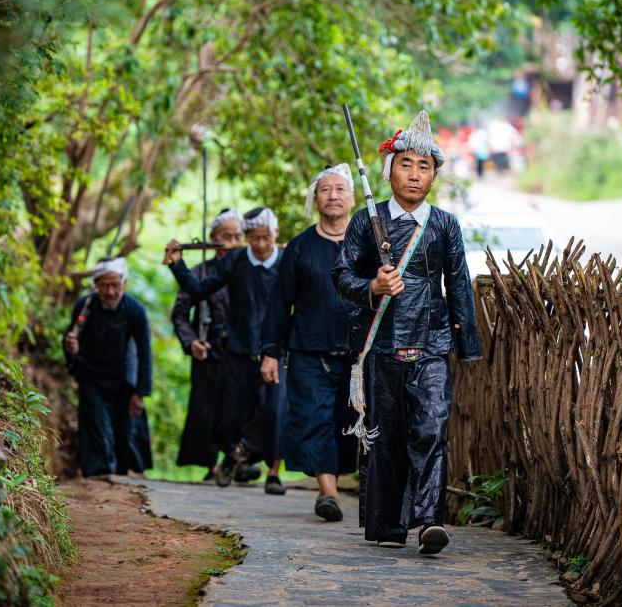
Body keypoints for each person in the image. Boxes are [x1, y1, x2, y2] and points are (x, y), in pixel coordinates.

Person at [332, 110, 482, 555]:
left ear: (434, 174)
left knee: (432, 430)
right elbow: (341, 277)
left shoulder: (444, 225)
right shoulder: (366, 222)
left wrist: (466, 347)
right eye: (406, 164)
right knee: (386, 435)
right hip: (380, 344)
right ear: (389, 169)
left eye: (424, 166)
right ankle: (388, 524)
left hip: (432, 343)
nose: (415, 175)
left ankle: (428, 521)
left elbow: (458, 286)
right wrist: (373, 287)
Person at [163, 207, 288, 495]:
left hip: (274, 351)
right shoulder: (234, 260)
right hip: (236, 352)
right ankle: (234, 456)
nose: (260, 245)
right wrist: (177, 265)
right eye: (253, 238)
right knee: (232, 415)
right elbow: (198, 290)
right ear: (247, 238)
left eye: (266, 237)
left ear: (276, 234)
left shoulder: (286, 261)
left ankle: (255, 461)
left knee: (274, 410)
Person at [261, 164, 359, 522]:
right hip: (308, 351)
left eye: (339, 189)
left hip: (357, 353)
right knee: (314, 418)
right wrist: (270, 351)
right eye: (324, 190)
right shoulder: (300, 247)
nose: (332, 195)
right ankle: (328, 493)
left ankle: (340, 482)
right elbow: (279, 302)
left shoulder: (366, 243)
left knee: (346, 422)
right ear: (315, 200)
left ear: (352, 198)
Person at [170, 209, 254, 481]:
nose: (230, 241)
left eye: (237, 236)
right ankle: (211, 465)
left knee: (242, 407)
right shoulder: (199, 273)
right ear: (212, 238)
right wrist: (191, 341)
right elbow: (180, 313)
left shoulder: (249, 269)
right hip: (209, 351)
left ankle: (238, 461)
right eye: (225, 236)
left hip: (241, 352)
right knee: (207, 407)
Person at [64, 257, 152, 478]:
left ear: (125, 283)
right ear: (96, 285)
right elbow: (71, 341)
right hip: (92, 377)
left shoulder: (135, 310)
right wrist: (70, 347)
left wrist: (140, 392)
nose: (110, 291)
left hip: (123, 378)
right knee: (96, 426)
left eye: (116, 285)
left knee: (125, 430)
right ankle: (98, 475)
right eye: (105, 285)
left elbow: (144, 353)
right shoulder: (85, 306)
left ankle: (124, 472)